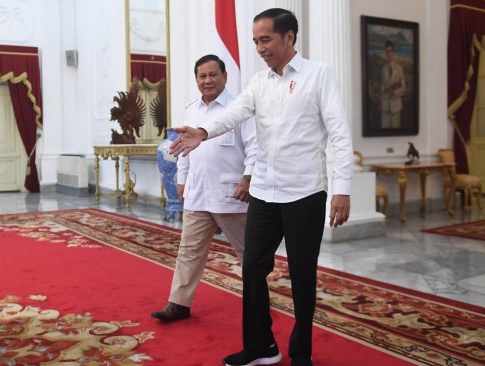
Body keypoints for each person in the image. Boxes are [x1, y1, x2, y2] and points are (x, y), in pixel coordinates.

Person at [169, 8, 353, 366]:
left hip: (305, 193)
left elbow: (340, 134)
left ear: (289, 37)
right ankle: (261, 347)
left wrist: (342, 188)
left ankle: (302, 353)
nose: (260, 47)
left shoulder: (319, 75)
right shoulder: (258, 82)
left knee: (302, 275)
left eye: (265, 39)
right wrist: (203, 131)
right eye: (255, 41)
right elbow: (235, 113)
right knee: (253, 267)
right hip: (265, 193)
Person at [151, 54, 258, 322]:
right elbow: (184, 148)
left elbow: (255, 147)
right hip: (198, 193)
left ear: (225, 76)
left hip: (232, 194)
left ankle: (258, 301)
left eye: (213, 75)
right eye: (202, 76)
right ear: (196, 79)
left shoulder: (239, 108)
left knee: (250, 253)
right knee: (189, 250)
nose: (207, 80)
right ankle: (179, 303)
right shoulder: (191, 110)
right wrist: (181, 180)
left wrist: (248, 178)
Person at [380, 40, 406, 129]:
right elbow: (382, 88)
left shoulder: (399, 68)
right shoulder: (383, 69)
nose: (388, 54)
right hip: (385, 106)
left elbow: (404, 88)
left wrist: (394, 92)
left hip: (396, 106)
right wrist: (385, 91)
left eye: (390, 51)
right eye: (386, 52)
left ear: (393, 52)